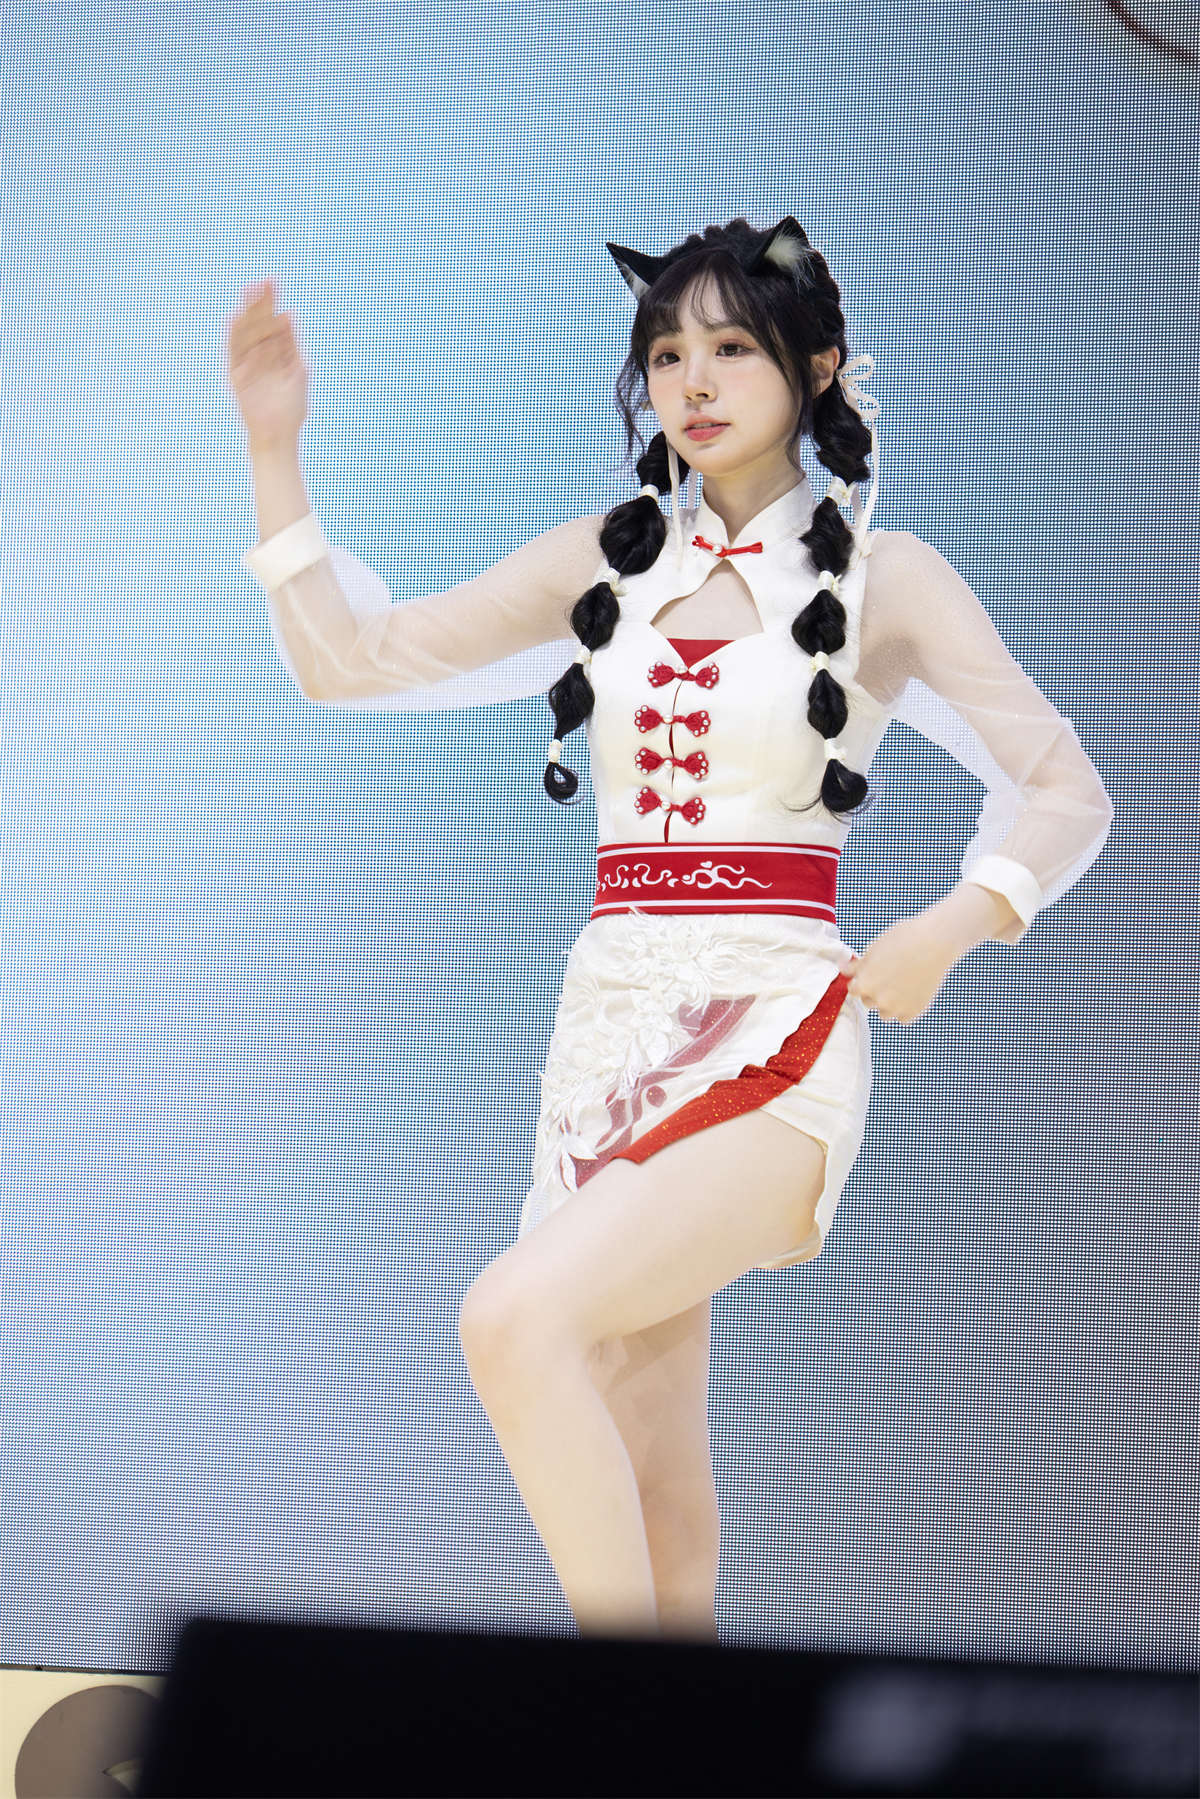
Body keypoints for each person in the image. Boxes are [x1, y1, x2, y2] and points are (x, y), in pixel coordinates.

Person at [227, 216, 1113, 1645]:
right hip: (606, 1040)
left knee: (514, 1322)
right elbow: (351, 662)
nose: (692, 382)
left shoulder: (888, 578)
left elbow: (1065, 788)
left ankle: (612, 1727)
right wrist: (276, 447)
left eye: (732, 348)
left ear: (814, 367)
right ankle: (685, 1733)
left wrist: (960, 922)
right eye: (666, 355)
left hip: (779, 1033)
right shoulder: (606, 562)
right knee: (652, 1454)